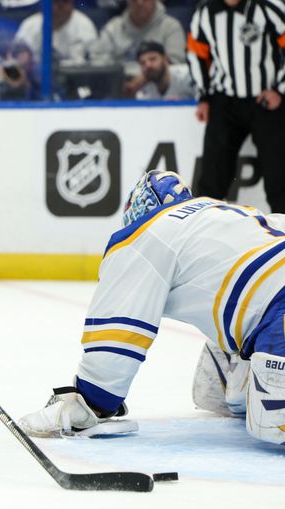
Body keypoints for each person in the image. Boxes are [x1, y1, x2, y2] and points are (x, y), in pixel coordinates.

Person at [19, 170, 285, 446]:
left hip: (279, 309)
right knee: (216, 393)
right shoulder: (225, 213)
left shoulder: (146, 234)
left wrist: (91, 400)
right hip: (270, 309)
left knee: (273, 424)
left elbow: (117, 337)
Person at [188, 0, 285, 213]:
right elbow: (196, 53)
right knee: (211, 179)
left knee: (279, 178)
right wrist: (203, 96)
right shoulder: (205, 12)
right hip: (225, 101)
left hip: (266, 101)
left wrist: (280, 89)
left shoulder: (268, 6)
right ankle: (203, 234)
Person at [0, 0, 98, 99]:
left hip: (75, 88)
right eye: (54, 3)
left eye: (63, 3)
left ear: (72, 4)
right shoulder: (30, 25)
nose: (57, 9)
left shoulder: (84, 26)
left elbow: (95, 66)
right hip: (36, 87)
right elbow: (14, 61)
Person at [89, 0, 186, 95]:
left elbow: (176, 63)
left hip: (158, 89)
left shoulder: (170, 26)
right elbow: (99, 64)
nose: (140, 3)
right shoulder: (113, 28)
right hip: (119, 89)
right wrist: (117, 83)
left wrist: (144, 78)